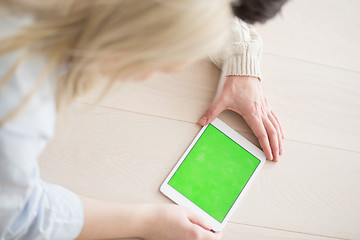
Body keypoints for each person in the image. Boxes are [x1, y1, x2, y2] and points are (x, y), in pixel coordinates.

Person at [0, 0, 286, 239]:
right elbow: (18, 217)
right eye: (153, 60)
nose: (145, 76)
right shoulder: (17, 108)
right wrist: (146, 221)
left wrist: (240, 61)